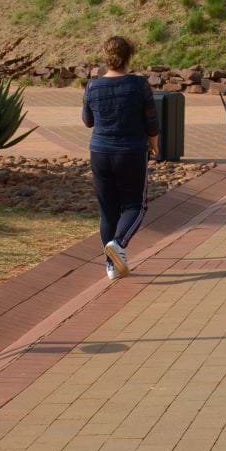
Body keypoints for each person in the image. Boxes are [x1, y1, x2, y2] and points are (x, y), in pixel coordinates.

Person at [81, 35, 159, 280]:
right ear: (129, 56)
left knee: (108, 210)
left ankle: (112, 266)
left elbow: (88, 121)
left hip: (100, 152)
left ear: (106, 56)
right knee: (136, 206)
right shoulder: (138, 85)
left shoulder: (92, 86)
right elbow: (152, 121)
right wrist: (154, 144)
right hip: (131, 152)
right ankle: (118, 242)